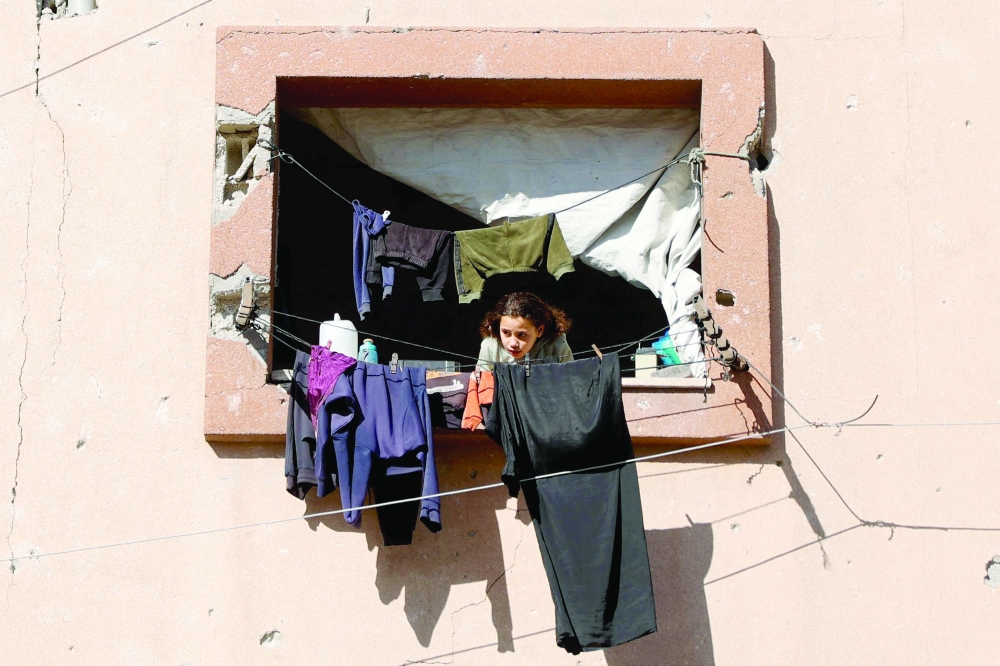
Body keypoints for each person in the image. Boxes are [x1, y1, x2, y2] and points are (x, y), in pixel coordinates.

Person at [476, 292, 573, 370]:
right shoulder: (490, 347)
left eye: (522, 335)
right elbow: (483, 387)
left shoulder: (557, 345)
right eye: (506, 333)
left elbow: (572, 380)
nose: (513, 343)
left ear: (539, 330)